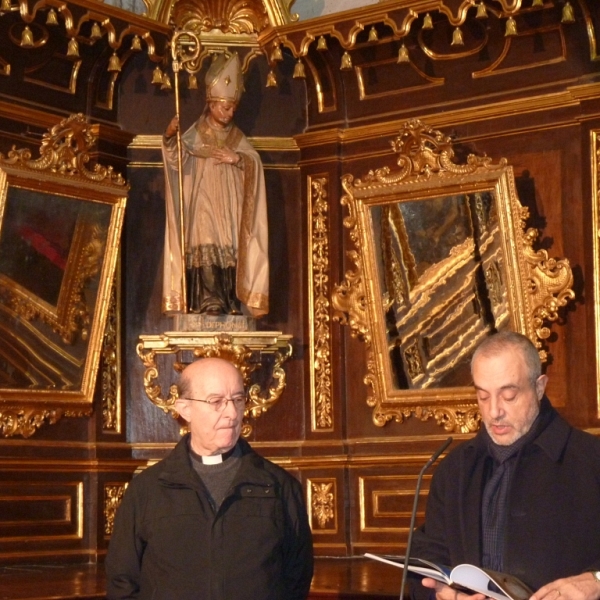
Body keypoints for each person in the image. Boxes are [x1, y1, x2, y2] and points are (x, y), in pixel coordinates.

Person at [411, 331, 600, 600]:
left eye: (509, 395)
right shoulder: (455, 469)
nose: (494, 411)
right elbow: (429, 554)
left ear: (539, 387)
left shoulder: (590, 459)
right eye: (483, 397)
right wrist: (442, 594)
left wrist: (596, 581)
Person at [105, 358, 313, 600]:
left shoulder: (279, 487)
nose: (232, 413)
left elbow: (296, 578)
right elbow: (123, 580)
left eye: (237, 400)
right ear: (185, 409)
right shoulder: (147, 490)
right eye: (216, 402)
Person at [161, 52, 269, 317]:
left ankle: (231, 301)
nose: (229, 112)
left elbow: (254, 163)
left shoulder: (236, 136)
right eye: (224, 106)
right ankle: (208, 301)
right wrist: (169, 138)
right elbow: (177, 159)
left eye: (232, 107)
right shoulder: (196, 133)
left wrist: (239, 159)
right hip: (203, 200)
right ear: (210, 103)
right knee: (206, 241)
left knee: (230, 245)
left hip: (230, 205)